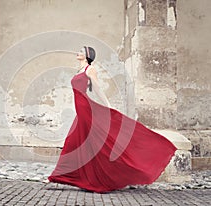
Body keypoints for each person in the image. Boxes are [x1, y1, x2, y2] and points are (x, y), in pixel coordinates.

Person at [45, 46, 177, 193]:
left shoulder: (90, 69)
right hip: (81, 110)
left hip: (86, 108)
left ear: (88, 55)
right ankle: (66, 176)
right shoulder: (79, 71)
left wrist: (107, 105)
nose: (78, 52)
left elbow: (97, 88)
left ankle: (77, 176)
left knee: (89, 141)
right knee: (79, 142)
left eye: (82, 51)